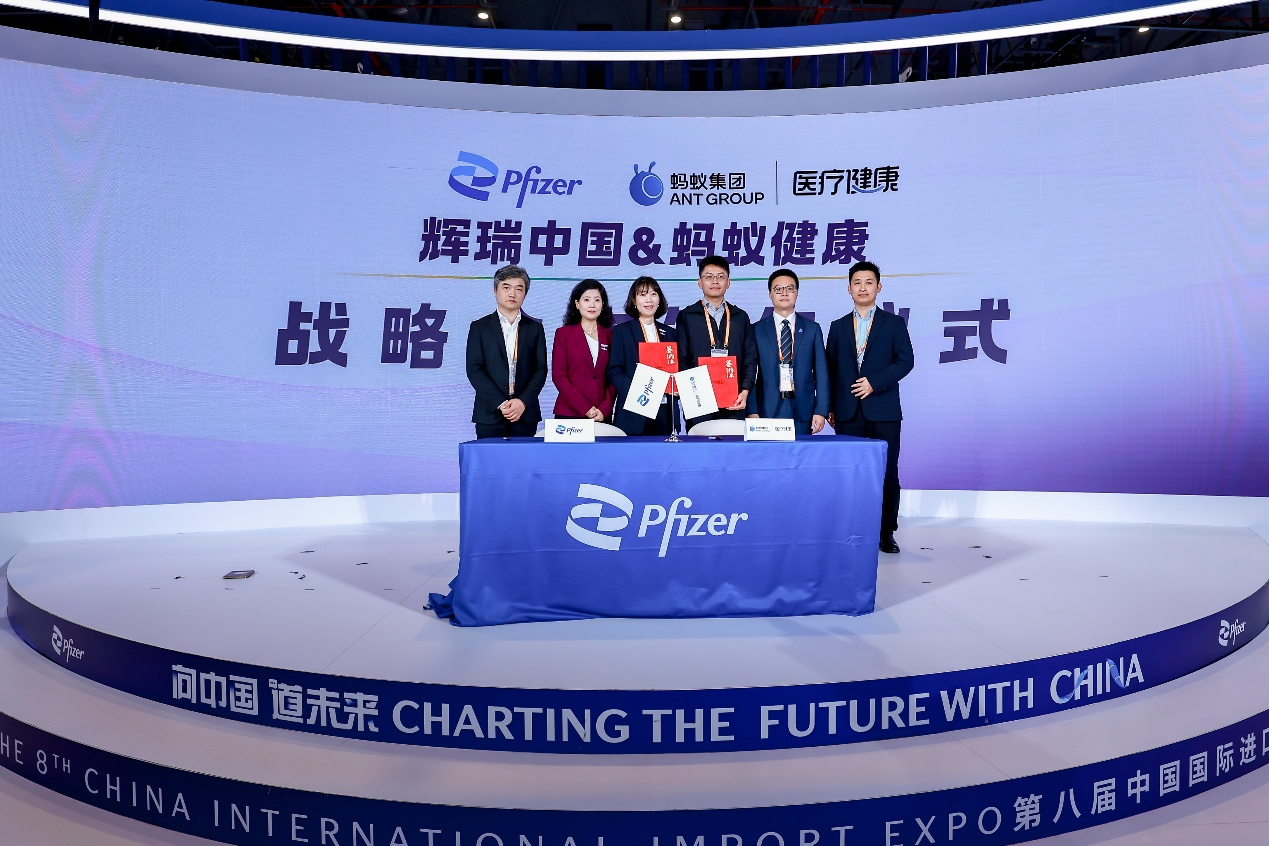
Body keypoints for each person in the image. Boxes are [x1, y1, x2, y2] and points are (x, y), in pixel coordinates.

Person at [826, 260, 914, 554]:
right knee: (848, 474)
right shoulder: (838, 326)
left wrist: (874, 383)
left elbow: (906, 361)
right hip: (847, 412)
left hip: (883, 410)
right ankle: (850, 529)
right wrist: (830, 406)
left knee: (887, 473)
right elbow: (830, 369)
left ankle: (886, 532)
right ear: (849, 288)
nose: (862, 288)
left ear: (879, 287)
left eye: (868, 282)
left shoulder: (893, 323)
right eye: (857, 283)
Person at [465, 264, 548, 439]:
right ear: (495, 290)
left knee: (523, 457)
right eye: (506, 287)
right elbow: (474, 369)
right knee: (489, 457)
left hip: (524, 413)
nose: (512, 294)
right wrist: (501, 403)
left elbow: (540, 369)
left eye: (519, 289)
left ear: (525, 294)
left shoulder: (535, 328)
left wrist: (522, 402)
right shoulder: (480, 327)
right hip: (489, 412)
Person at [746, 269, 829, 435]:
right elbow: (750, 372)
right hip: (766, 409)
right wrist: (752, 410)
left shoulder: (812, 329)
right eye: (778, 289)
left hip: (803, 408)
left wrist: (821, 410)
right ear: (770, 294)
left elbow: (821, 371)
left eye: (790, 288)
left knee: (802, 451)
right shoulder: (756, 330)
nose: (784, 293)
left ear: (797, 293)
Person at [676, 255, 758, 421]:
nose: (715, 281)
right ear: (700, 282)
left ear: (728, 282)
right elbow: (681, 358)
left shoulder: (740, 317)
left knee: (732, 438)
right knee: (701, 438)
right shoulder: (687, 316)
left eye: (720, 277)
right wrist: (691, 392)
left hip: (734, 400)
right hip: (699, 401)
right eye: (709, 277)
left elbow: (750, 358)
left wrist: (745, 391)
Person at [608, 276, 678, 436]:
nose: (649, 300)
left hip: (664, 411)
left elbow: (678, 369)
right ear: (634, 300)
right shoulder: (622, 331)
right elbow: (615, 371)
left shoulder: (670, 333)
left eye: (653, 294)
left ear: (659, 300)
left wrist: (678, 386)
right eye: (643, 294)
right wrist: (638, 390)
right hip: (634, 411)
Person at [552, 279, 616, 422]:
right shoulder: (563, 334)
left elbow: (614, 376)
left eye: (597, 300)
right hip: (569, 413)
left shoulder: (610, 336)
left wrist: (605, 408)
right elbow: (559, 376)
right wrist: (585, 408)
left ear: (603, 304)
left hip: (601, 414)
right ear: (577, 304)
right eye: (586, 300)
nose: (592, 305)